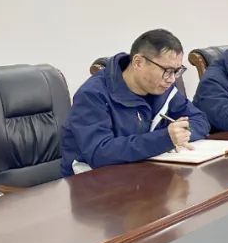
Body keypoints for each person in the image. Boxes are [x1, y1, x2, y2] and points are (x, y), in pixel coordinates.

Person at [60, 29, 209, 176]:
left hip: (143, 173)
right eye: (167, 70)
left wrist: (180, 135)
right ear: (138, 62)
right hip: (92, 181)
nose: (171, 79)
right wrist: (164, 139)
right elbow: (99, 153)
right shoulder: (92, 95)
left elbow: (200, 120)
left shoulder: (163, 89)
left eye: (177, 71)